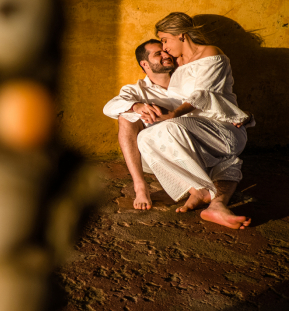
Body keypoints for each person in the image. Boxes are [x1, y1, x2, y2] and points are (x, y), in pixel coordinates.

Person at [136, 12, 253, 230]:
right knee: (144, 139)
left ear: (181, 35)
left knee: (169, 128)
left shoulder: (211, 54)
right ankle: (215, 204)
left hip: (223, 129)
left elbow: (203, 94)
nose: (164, 47)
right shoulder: (177, 65)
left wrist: (174, 115)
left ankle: (200, 188)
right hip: (190, 132)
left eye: (165, 40)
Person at [103, 39, 178, 210]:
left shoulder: (186, 81)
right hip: (155, 156)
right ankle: (140, 186)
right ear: (145, 64)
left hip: (190, 147)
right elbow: (108, 107)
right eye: (158, 53)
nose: (166, 55)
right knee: (126, 117)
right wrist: (136, 106)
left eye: (166, 51)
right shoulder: (136, 90)